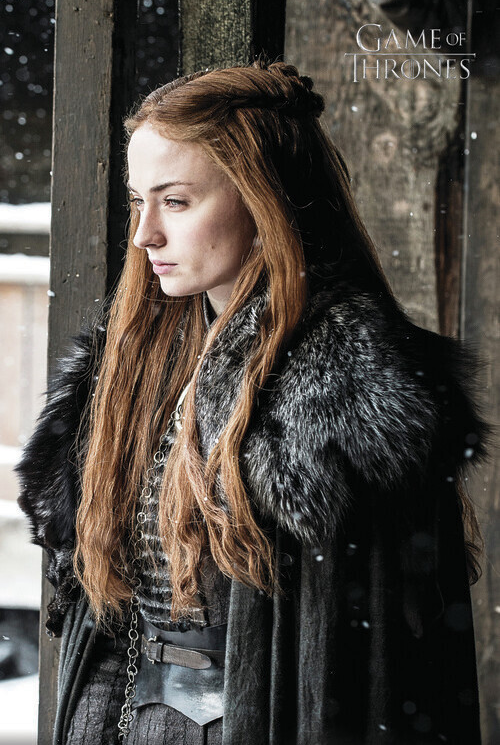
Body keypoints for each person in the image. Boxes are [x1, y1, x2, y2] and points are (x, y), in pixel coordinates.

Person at [16, 58, 490, 745]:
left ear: (264, 199)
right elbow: (108, 618)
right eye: (138, 201)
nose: (145, 234)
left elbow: (375, 669)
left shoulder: (340, 398)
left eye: (177, 202)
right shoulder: (130, 373)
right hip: (120, 720)